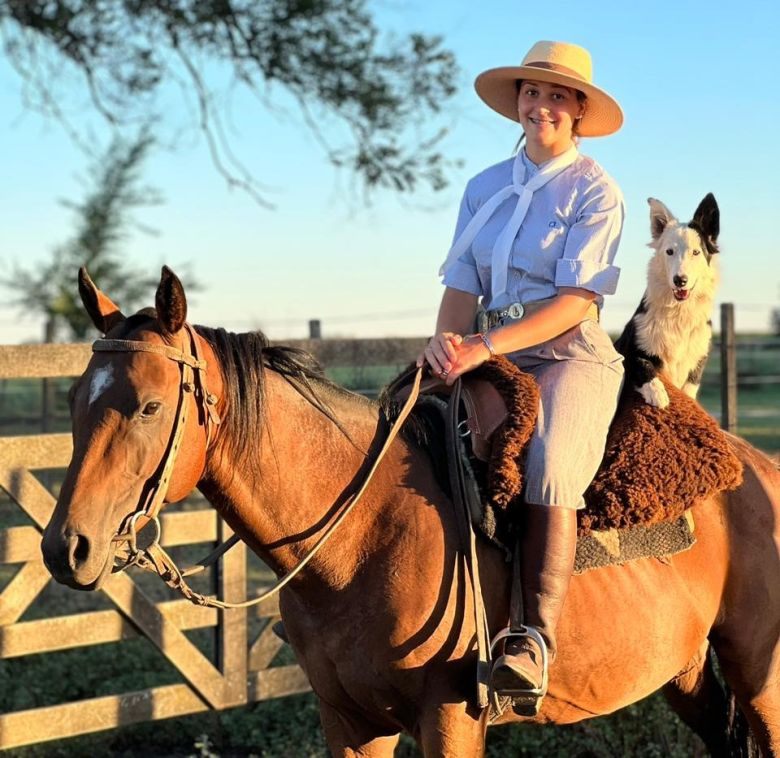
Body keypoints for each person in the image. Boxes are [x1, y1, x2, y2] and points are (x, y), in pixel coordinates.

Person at [417, 40, 626, 709]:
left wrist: (483, 344)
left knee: (551, 461)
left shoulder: (595, 189)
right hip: (486, 345)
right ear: (518, 104)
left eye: (557, 95)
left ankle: (532, 638)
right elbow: (459, 283)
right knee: (405, 430)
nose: (541, 105)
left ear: (580, 110)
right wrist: (447, 346)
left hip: (567, 352)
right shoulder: (484, 188)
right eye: (532, 93)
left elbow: (574, 303)